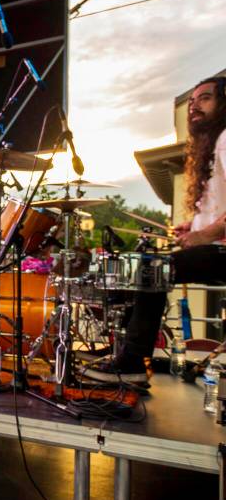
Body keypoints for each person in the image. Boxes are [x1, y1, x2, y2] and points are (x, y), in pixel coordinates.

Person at [85, 77, 226, 384]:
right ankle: (124, 350)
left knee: (152, 270)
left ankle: (133, 361)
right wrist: (195, 226)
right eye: (191, 102)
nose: (194, 107)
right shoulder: (211, 145)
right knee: (142, 267)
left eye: (204, 99)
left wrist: (205, 234)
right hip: (216, 247)